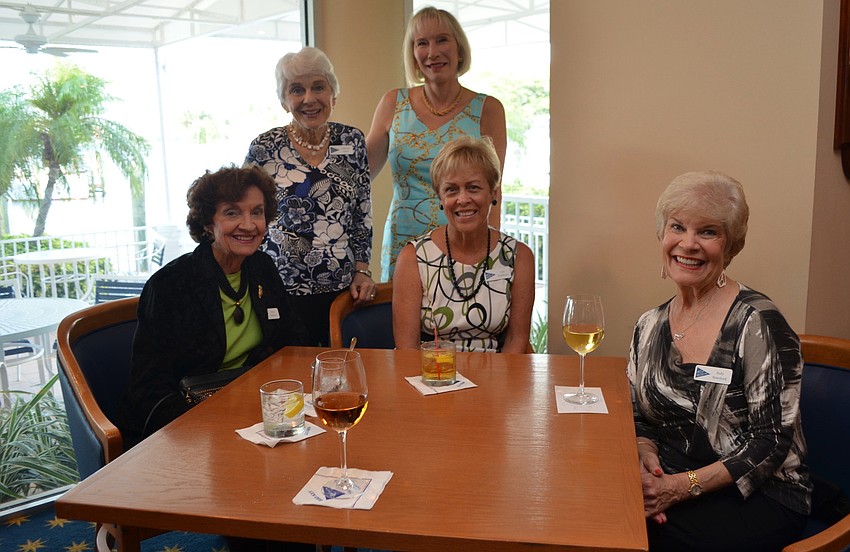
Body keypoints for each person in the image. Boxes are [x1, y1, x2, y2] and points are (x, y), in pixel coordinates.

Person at [628, 171, 811, 551]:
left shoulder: (757, 322)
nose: (688, 244)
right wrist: (649, 466)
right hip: (673, 483)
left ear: (730, 247)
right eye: (677, 227)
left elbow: (771, 441)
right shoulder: (648, 326)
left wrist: (678, 488)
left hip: (758, 494)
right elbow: (641, 417)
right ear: (663, 235)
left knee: (638, 537)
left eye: (708, 232)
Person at [116, 166, 307, 448]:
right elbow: (149, 388)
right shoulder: (171, 285)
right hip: (188, 429)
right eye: (232, 213)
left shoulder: (262, 267)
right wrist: (213, 428)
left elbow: (293, 342)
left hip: (253, 415)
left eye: (257, 212)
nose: (249, 224)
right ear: (207, 223)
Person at [244, 46, 375, 347]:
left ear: (333, 94)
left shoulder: (352, 141)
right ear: (283, 100)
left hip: (343, 292)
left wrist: (363, 271)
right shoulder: (264, 148)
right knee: (289, 377)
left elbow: (362, 213)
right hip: (280, 289)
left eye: (319, 87)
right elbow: (246, 215)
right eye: (296, 90)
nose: (309, 98)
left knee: (338, 379)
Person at [366, 6, 507, 281]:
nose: (432, 52)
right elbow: (358, 175)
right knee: (401, 321)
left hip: (465, 241)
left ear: (459, 49)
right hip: (402, 241)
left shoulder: (488, 109)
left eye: (442, 40)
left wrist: (490, 254)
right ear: (413, 53)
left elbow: (494, 192)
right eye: (422, 43)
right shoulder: (392, 103)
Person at [393, 136, 533, 353]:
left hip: (499, 377)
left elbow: (517, 340)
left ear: (493, 193)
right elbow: (407, 349)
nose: (463, 199)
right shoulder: (413, 258)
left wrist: (497, 385)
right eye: (451, 190)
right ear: (440, 197)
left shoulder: (518, 256)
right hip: (432, 376)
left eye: (473, 188)